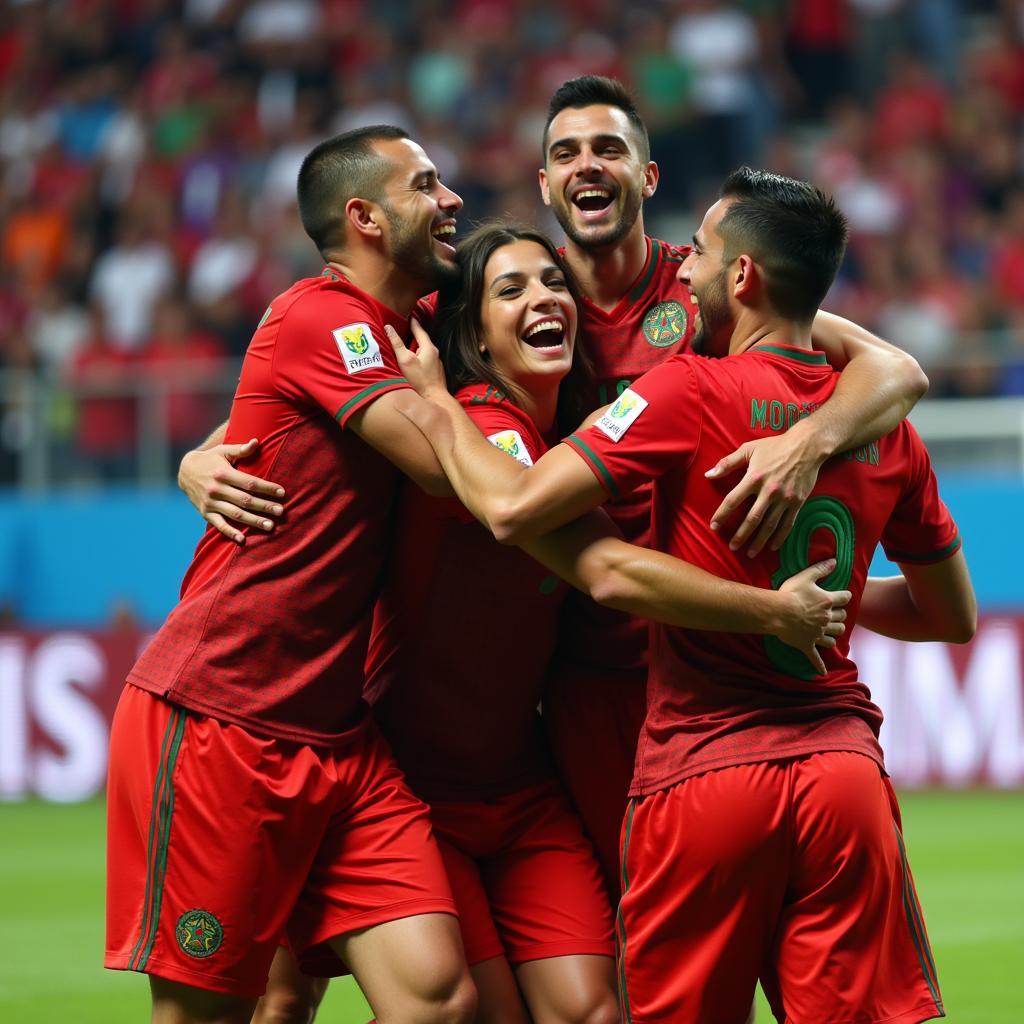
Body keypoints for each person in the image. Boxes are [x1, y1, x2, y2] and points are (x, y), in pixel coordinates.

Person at [182, 77, 928, 905]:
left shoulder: (702, 289)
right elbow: (323, 382)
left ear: (646, 178)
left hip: (705, 668)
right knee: (632, 937)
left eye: (609, 149)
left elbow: (897, 370)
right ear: (545, 185)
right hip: (583, 677)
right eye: (566, 153)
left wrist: (805, 441)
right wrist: (199, 454)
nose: (587, 166)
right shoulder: (502, 295)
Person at [388, 167, 976, 1024]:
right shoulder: (887, 427)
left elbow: (518, 506)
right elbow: (949, 617)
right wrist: (825, 601)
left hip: (704, 773)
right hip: (842, 771)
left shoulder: (684, 388)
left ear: (742, 278)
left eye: (699, 252)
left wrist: (438, 408)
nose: (686, 269)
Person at [105, 125, 480, 1024]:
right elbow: (437, 463)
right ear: (366, 218)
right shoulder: (319, 314)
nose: (452, 199)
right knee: (213, 1014)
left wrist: (197, 455)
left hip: (341, 732)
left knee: (437, 998)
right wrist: (194, 458)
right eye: (427, 184)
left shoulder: (417, 326)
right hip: (221, 716)